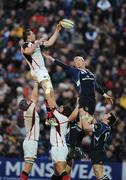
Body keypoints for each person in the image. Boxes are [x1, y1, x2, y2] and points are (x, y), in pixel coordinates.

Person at [43, 53, 113, 144]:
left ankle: (91, 135)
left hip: (92, 101)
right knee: (85, 123)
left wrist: (105, 95)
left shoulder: (91, 73)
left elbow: (96, 85)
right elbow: (64, 66)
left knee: (86, 121)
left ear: (84, 62)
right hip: (83, 99)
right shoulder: (76, 72)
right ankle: (98, 131)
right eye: (75, 61)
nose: (77, 62)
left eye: (79, 60)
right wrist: (52, 59)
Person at [21, 23, 62, 110]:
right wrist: (38, 42)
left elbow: (50, 43)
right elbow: (28, 52)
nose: (34, 34)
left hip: (41, 70)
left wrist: (57, 30)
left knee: (50, 91)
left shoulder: (36, 43)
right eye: (32, 33)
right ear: (28, 36)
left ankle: (52, 109)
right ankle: (54, 110)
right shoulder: (25, 45)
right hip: (38, 71)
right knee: (48, 90)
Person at [81, 112, 117, 180]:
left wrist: (83, 116)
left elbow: (86, 128)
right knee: (99, 173)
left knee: (98, 172)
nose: (104, 114)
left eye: (106, 114)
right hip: (100, 151)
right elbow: (95, 122)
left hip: (97, 151)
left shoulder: (100, 125)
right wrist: (88, 114)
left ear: (108, 120)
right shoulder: (107, 127)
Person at [49, 104, 79, 180]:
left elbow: (48, 121)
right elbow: (48, 122)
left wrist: (79, 103)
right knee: (59, 172)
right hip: (70, 148)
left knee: (60, 171)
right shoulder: (69, 121)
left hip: (63, 147)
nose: (61, 106)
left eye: (63, 107)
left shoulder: (64, 120)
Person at [19, 80, 39, 180]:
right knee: (28, 166)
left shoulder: (26, 111)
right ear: (27, 106)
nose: (29, 101)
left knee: (28, 165)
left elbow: (32, 99)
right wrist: (36, 83)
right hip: (31, 141)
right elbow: (34, 97)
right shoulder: (30, 110)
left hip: (29, 139)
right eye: (28, 102)